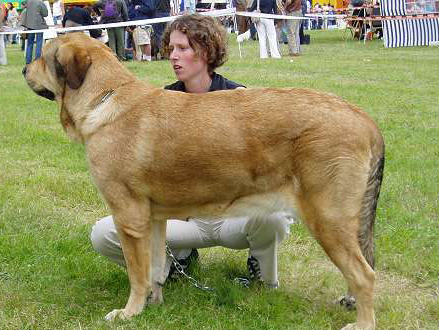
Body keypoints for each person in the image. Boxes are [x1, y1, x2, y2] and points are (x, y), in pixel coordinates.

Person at [90, 14, 293, 288]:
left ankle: (263, 275)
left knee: (275, 216)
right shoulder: (160, 104)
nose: (173, 56)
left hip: (232, 217)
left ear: (207, 51)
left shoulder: (240, 98)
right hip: (182, 219)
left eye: (183, 48)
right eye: (171, 49)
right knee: (104, 234)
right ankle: (174, 263)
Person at [21, 0, 48, 64]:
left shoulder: (28, 1)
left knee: (29, 43)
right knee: (39, 43)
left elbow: (23, 5)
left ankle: (28, 61)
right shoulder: (40, 2)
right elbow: (45, 14)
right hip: (39, 25)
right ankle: (37, 60)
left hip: (29, 25)